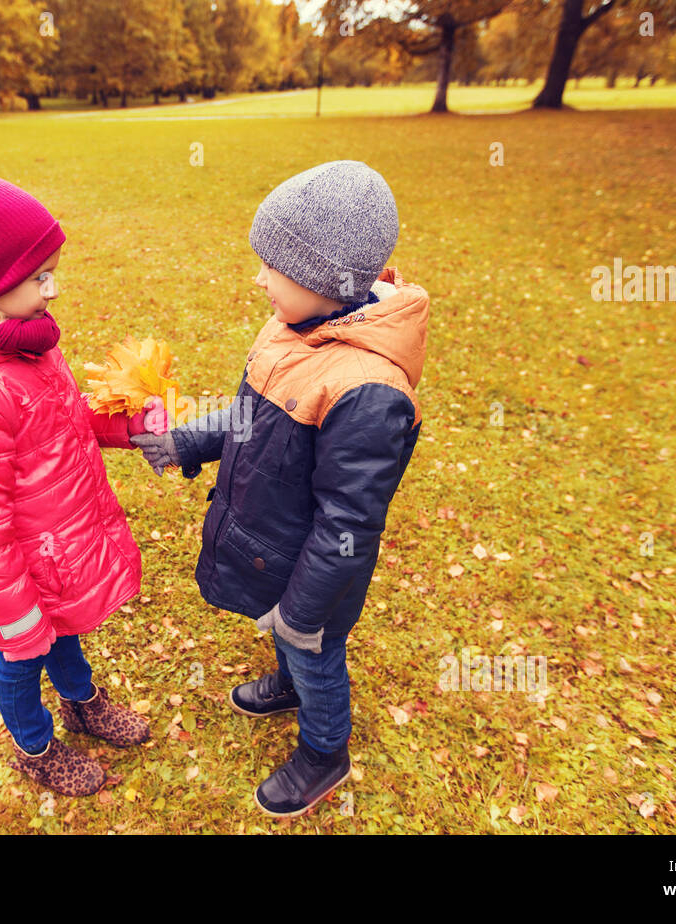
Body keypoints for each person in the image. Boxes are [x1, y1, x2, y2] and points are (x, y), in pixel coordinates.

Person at [132, 160, 430, 817]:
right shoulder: (293, 329)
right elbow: (249, 416)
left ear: (327, 280)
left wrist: (305, 611)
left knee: (312, 648)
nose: (259, 278)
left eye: (275, 267)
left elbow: (347, 524)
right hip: (272, 546)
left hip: (318, 570)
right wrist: (186, 443)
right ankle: (289, 678)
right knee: (281, 627)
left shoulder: (368, 391)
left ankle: (325, 751)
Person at [0, 169, 168, 797]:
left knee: (66, 630)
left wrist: (131, 424)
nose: (55, 289)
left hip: (59, 545)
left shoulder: (23, 342)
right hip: (18, 566)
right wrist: (12, 614)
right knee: (24, 654)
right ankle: (35, 747)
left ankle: (82, 700)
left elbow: (61, 417)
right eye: (40, 277)